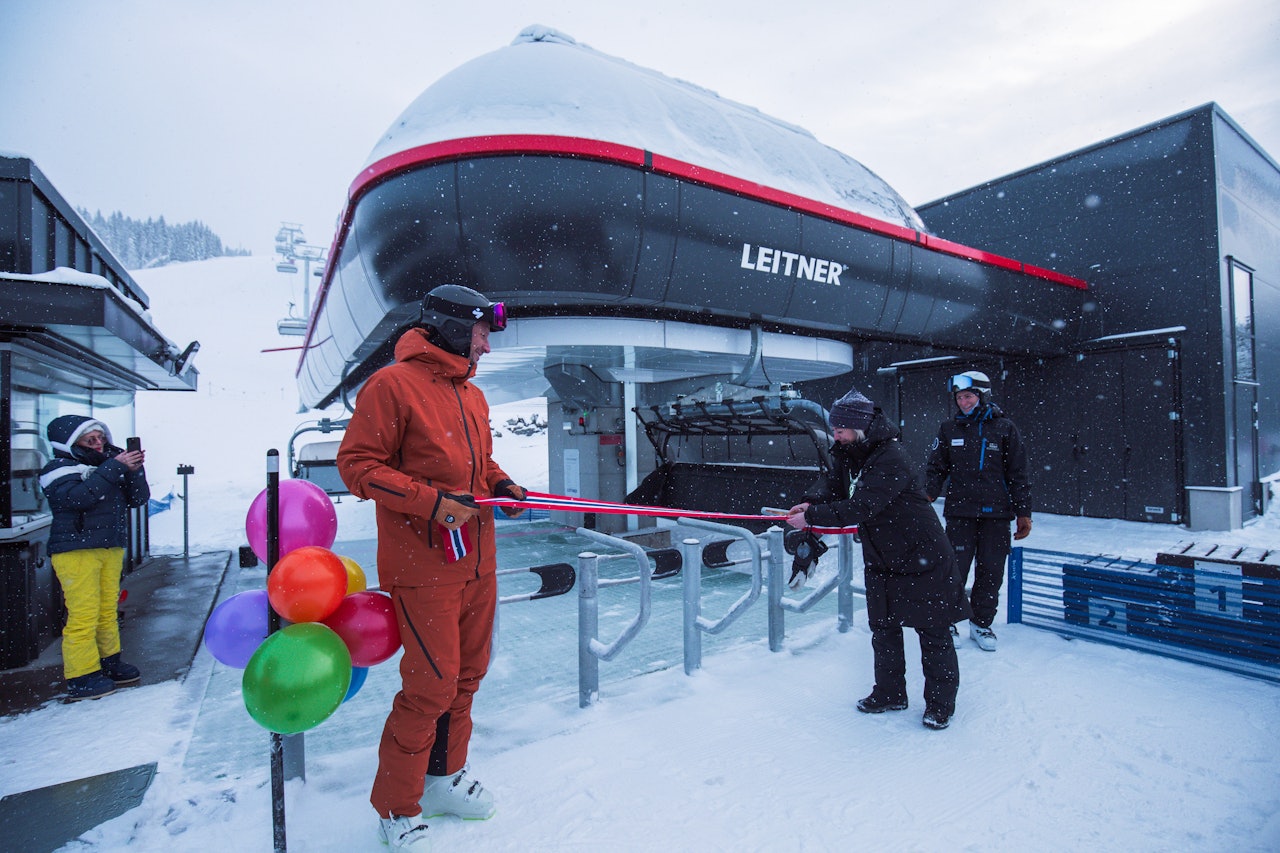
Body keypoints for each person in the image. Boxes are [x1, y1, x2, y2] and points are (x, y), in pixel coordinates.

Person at [337, 284, 528, 852]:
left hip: (478, 560)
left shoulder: (472, 395)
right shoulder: (391, 386)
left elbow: (479, 462)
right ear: (449, 327)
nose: (486, 349)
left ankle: (443, 778)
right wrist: (431, 502)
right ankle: (395, 807)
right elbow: (357, 466)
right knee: (432, 685)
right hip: (424, 566)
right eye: (480, 335)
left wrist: (501, 484)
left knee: (469, 676)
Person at [788, 388, 971, 730]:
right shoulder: (848, 451)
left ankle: (940, 704)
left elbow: (861, 506)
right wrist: (810, 504)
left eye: (840, 428)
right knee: (883, 629)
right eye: (835, 428)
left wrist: (813, 518)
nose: (836, 434)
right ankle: (890, 693)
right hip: (883, 557)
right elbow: (832, 486)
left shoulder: (890, 456)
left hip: (922, 556)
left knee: (933, 633)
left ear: (858, 427)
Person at [39, 416, 149, 701]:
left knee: (106, 610)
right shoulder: (57, 469)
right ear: (70, 443)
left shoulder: (105, 467)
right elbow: (80, 497)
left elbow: (137, 498)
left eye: (101, 437)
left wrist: (135, 470)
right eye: (91, 440)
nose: (99, 444)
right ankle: (81, 675)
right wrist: (115, 466)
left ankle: (108, 662)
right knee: (84, 614)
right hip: (76, 551)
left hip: (108, 548)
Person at [925, 370, 1032, 652]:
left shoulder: (1005, 429)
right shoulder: (949, 429)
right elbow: (937, 467)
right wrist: (928, 492)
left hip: (997, 516)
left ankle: (981, 623)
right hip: (960, 513)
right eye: (959, 397)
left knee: (991, 571)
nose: (963, 402)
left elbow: (1018, 473)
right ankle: (948, 621)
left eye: (968, 396)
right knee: (954, 570)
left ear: (982, 396)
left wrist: (1024, 512)